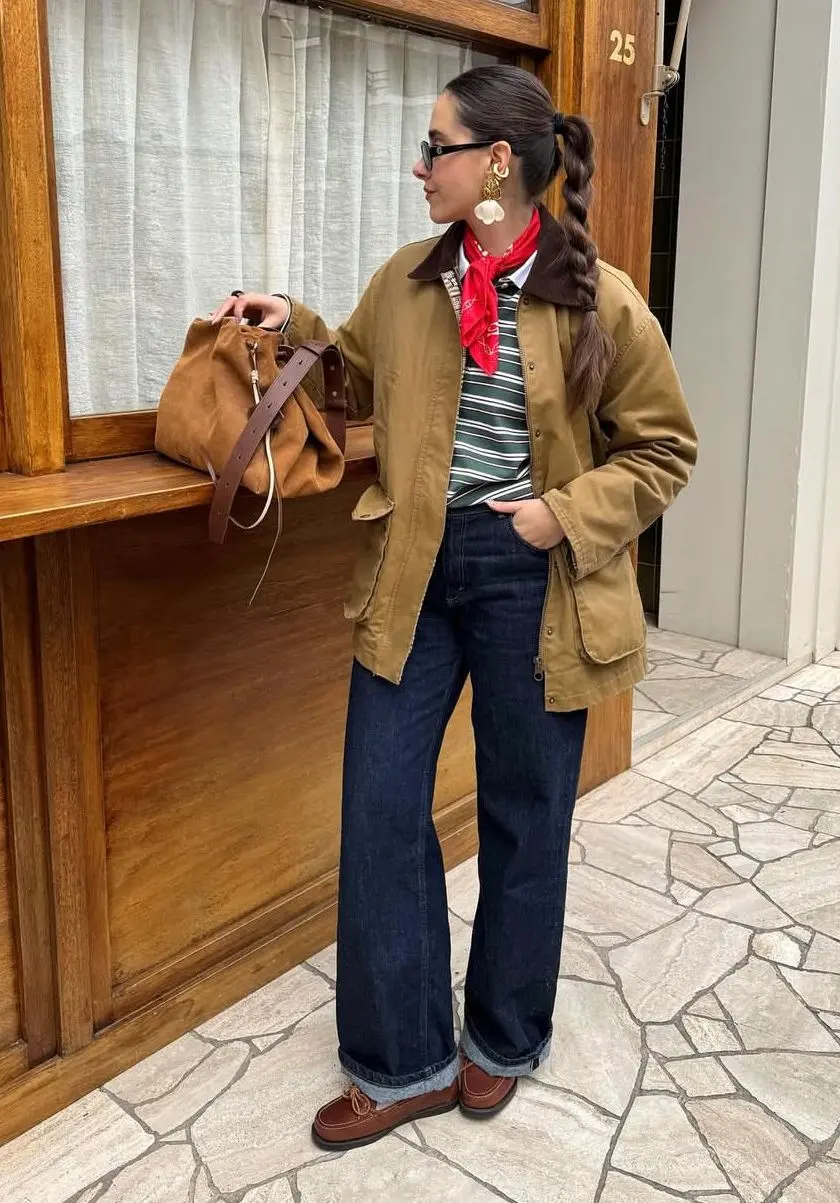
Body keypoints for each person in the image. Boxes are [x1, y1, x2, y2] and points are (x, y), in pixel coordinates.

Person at [211, 64, 696, 1152]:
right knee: (381, 807)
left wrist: (563, 514)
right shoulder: (408, 281)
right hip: (415, 571)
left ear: (499, 166)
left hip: (538, 573)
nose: (419, 164)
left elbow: (666, 447)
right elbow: (362, 363)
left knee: (527, 818)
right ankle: (401, 1061)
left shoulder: (600, 299)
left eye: (437, 146)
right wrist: (294, 322)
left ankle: (504, 1039)